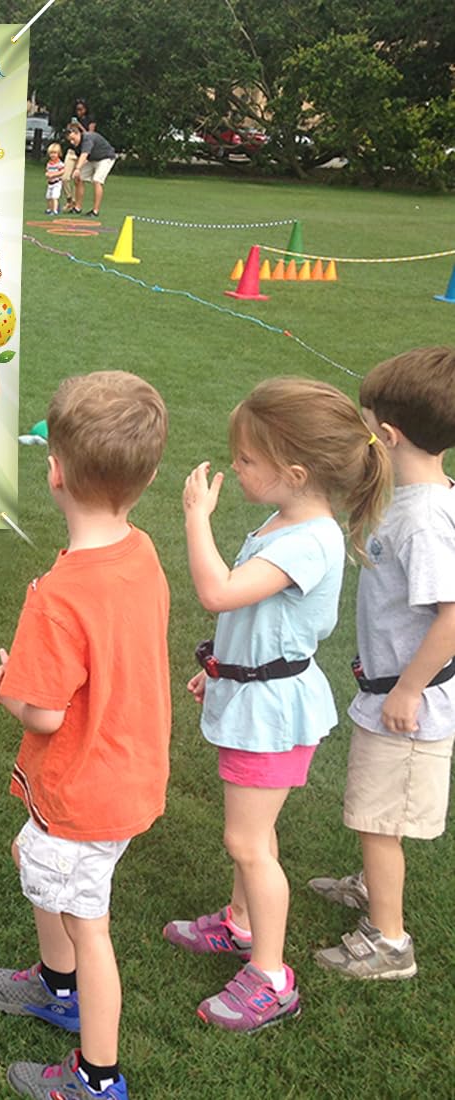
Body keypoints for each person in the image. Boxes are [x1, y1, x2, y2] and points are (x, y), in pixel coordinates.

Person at [164, 378, 391, 1032]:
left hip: (272, 713)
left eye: (247, 460)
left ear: (294, 473)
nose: (236, 468)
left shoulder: (309, 541)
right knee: (250, 835)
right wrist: (222, 668)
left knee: (248, 840)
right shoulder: (285, 518)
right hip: (255, 693)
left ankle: (271, 977)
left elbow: (220, 591)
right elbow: (256, 619)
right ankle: (238, 924)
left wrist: (194, 517)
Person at [0, 371, 172, 1100]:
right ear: (144, 479)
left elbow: (46, 714)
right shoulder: (141, 551)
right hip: (124, 772)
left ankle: (97, 1077)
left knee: (92, 927)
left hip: (86, 787)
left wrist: (10, 696)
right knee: (33, 856)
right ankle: (56, 990)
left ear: (54, 473)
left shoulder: (57, 595)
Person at [309, 347, 455, 979]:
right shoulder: (416, 495)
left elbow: (453, 615)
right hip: (393, 689)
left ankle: (388, 942)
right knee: (377, 811)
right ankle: (373, 884)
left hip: (409, 703)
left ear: (389, 435)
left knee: (378, 818)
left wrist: (408, 690)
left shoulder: (426, 521)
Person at [73, 122, 116, 218]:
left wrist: (77, 168)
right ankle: (77, 208)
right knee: (78, 177)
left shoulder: (87, 138)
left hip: (106, 158)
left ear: (78, 134)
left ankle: (95, 211)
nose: (72, 142)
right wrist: (77, 171)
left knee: (97, 180)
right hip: (93, 159)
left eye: (73, 139)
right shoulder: (76, 145)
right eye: (70, 140)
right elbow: (81, 158)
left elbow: (84, 154)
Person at [45, 142, 64, 215]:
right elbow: (47, 171)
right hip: (50, 183)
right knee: (48, 197)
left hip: (57, 183)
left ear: (58, 153)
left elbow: (62, 171)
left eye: (55, 153)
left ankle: (55, 210)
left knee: (54, 196)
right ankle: (49, 209)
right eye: (51, 153)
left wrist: (54, 175)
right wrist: (47, 174)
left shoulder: (59, 163)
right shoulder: (49, 163)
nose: (53, 155)